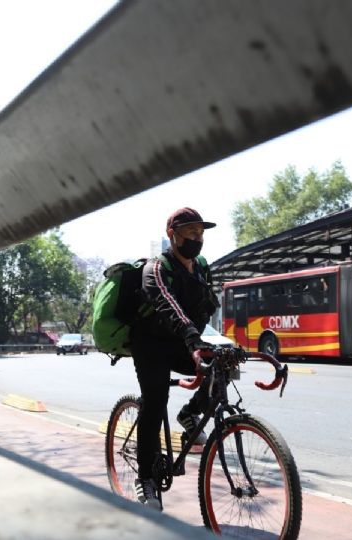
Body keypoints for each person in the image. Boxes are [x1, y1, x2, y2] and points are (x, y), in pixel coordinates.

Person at [128, 207, 220, 510]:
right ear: (173, 234)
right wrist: (192, 338)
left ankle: (190, 415)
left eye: (201, 232)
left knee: (223, 367)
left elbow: (206, 306)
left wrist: (216, 343)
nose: (198, 238)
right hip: (151, 344)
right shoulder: (155, 268)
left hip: (183, 340)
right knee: (155, 402)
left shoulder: (201, 267)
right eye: (191, 232)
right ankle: (146, 480)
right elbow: (169, 305)